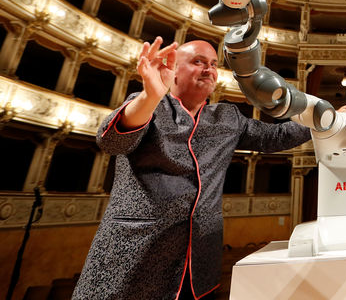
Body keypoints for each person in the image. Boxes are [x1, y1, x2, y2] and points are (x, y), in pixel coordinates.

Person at [73, 37, 311, 300]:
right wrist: (150, 95)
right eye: (198, 62)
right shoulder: (148, 105)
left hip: (199, 264)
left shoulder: (227, 117)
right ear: (173, 70)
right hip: (134, 253)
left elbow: (275, 137)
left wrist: (328, 118)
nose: (209, 69)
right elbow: (112, 141)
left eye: (213, 64)